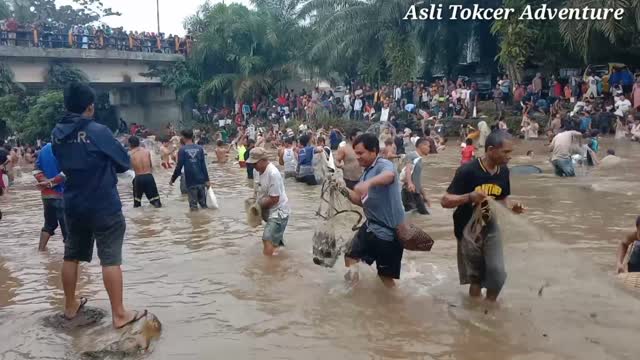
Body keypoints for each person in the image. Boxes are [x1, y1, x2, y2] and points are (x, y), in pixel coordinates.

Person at [51, 82, 145, 329]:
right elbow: (124, 163)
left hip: (73, 203)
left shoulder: (56, 134)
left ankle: (70, 306)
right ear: (90, 107)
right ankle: (119, 314)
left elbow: (65, 162)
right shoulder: (98, 131)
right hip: (103, 203)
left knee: (71, 255)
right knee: (110, 259)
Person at [441, 131, 524, 301]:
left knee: (498, 274)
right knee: (476, 279)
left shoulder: (503, 172)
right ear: (491, 150)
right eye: (506, 152)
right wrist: (469, 197)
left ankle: (489, 308)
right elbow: (445, 200)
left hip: (490, 225)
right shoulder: (467, 171)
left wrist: (512, 208)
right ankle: (476, 315)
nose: (509, 157)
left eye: (510, 152)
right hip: (468, 230)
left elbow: (501, 199)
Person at [341, 133, 406, 288]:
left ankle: (395, 307)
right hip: (370, 226)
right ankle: (354, 291)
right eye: (355, 153)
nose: (357, 157)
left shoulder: (383, 164)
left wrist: (368, 183)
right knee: (350, 256)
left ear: (373, 151)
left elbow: (389, 176)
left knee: (385, 278)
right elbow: (360, 201)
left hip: (388, 232)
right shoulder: (366, 172)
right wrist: (342, 189)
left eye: (360, 153)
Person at [247, 148, 290, 256]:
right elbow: (257, 189)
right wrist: (253, 201)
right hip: (268, 211)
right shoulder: (256, 171)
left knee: (267, 239)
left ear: (263, 160)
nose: (253, 166)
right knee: (276, 241)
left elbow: (274, 199)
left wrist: (257, 205)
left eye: (255, 163)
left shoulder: (273, 173)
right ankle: (282, 259)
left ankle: (269, 269)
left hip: (279, 211)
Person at [34, 142, 67, 251]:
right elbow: (68, 171)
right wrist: (51, 182)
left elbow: (36, 170)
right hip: (64, 194)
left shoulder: (44, 149)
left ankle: (40, 252)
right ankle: (72, 260)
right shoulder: (68, 148)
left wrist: (45, 182)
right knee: (68, 229)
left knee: (48, 224)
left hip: (47, 195)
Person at [170, 129, 210, 211]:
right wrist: (207, 180)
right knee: (203, 205)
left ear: (183, 138)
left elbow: (179, 167)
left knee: (193, 207)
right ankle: (206, 222)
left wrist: (173, 179)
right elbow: (203, 166)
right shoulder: (200, 148)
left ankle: (195, 223)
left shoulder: (182, 150)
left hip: (191, 182)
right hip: (201, 180)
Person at [129, 136, 161, 208]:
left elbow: (129, 167)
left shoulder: (130, 154)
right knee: (156, 202)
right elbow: (151, 165)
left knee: (137, 204)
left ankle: (139, 218)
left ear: (130, 144)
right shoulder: (147, 151)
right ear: (139, 143)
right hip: (149, 177)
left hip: (138, 178)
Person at [401, 137, 431, 215]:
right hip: (409, 192)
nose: (429, 148)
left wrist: (424, 196)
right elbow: (408, 169)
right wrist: (410, 183)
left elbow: (417, 180)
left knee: (418, 216)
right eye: (428, 146)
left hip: (415, 193)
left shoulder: (419, 159)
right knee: (421, 215)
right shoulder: (412, 155)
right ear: (421, 146)